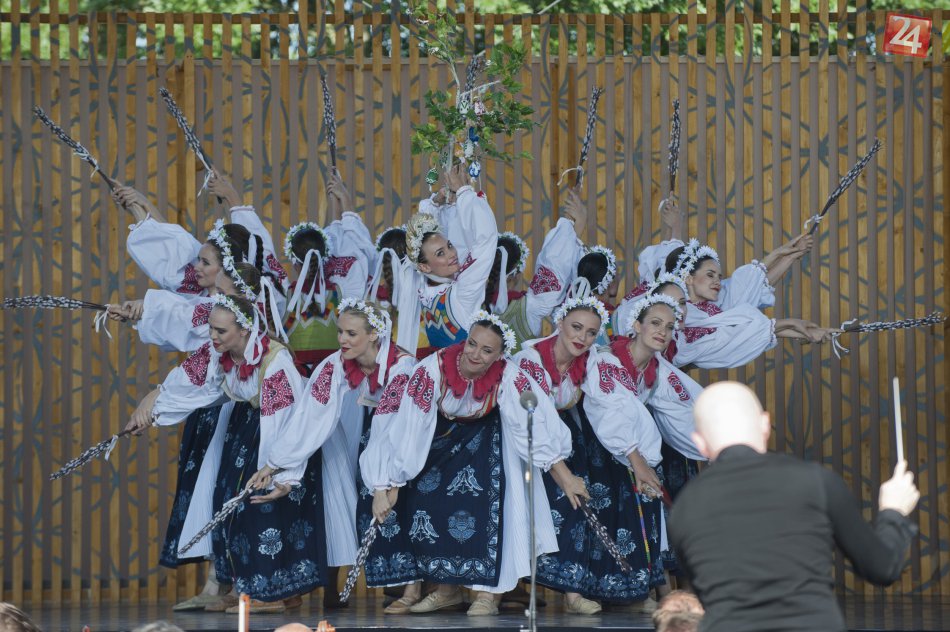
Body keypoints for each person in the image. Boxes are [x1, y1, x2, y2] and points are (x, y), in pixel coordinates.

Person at [368, 312, 589, 616]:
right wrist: (391, 483)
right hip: (438, 440)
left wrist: (565, 477)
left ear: (499, 355)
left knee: (494, 506)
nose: (474, 354)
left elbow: (533, 425)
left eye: (486, 350)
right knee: (430, 505)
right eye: (471, 344)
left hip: (488, 440)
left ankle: (488, 595)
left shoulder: (509, 375)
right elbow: (409, 427)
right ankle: (446, 591)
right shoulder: (431, 369)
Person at [668, 382, 919, 632]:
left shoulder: (684, 508)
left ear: (699, 442)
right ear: (765, 424)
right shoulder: (816, 481)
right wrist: (893, 511)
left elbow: (705, 589)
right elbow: (882, 568)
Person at [515, 296, 665, 613]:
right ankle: (493, 594)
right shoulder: (530, 360)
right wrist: (564, 476)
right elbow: (534, 419)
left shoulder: (595, 360)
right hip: (522, 436)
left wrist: (638, 460)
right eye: (576, 327)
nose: (582, 337)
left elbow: (614, 404)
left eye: (591, 332)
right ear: (559, 323)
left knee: (583, 499)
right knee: (553, 496)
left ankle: (576, 592)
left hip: (564, 436)